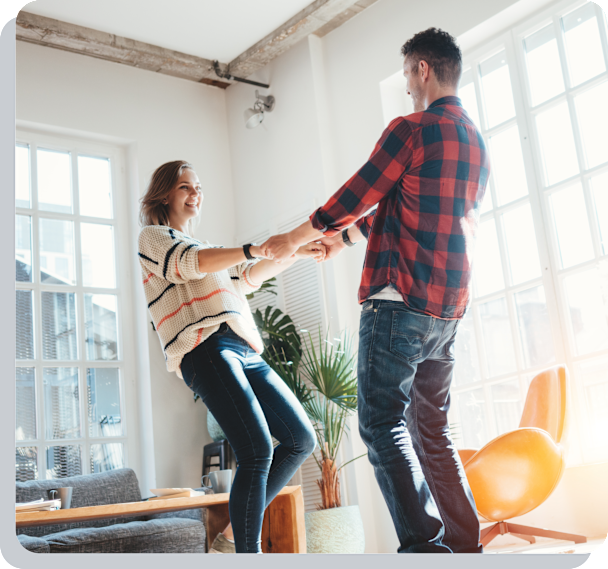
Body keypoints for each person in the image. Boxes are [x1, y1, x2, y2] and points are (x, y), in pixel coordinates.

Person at [260, 28, 490, 553]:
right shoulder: (476, 143)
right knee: (432, 430)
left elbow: (362, 190)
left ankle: (425, 549)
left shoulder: (411, 128)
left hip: (398, 302)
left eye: (409, 74)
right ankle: (467, 546)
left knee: (382, 424)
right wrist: (343, 240)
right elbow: (405, 204)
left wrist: (296, 236)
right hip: (447, 310)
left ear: (422, 70)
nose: (409, 86)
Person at [137, 160, 321, 554]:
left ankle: (233, 538)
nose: (195, 193)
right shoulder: (153, 238)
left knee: (300, 439)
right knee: (257, 449)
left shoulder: (209, 251)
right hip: (204, 347)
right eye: (186, 186)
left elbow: (249, 275)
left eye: (198, 187)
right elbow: (188, 263)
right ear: (165, 193)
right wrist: (251, 247)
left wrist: (298, 252)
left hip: (243, 348)